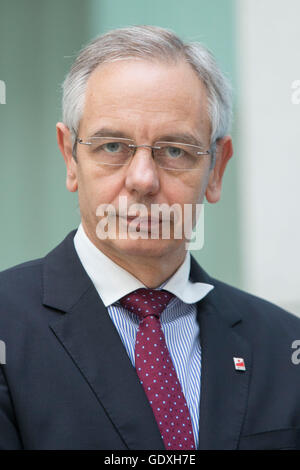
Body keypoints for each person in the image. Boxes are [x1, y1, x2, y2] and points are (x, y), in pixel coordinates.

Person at [1, 25, 300, 451]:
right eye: (112, 147)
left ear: (216, 170)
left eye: (175, 150)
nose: (142, 180)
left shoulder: (284, 347)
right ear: (70, 156)